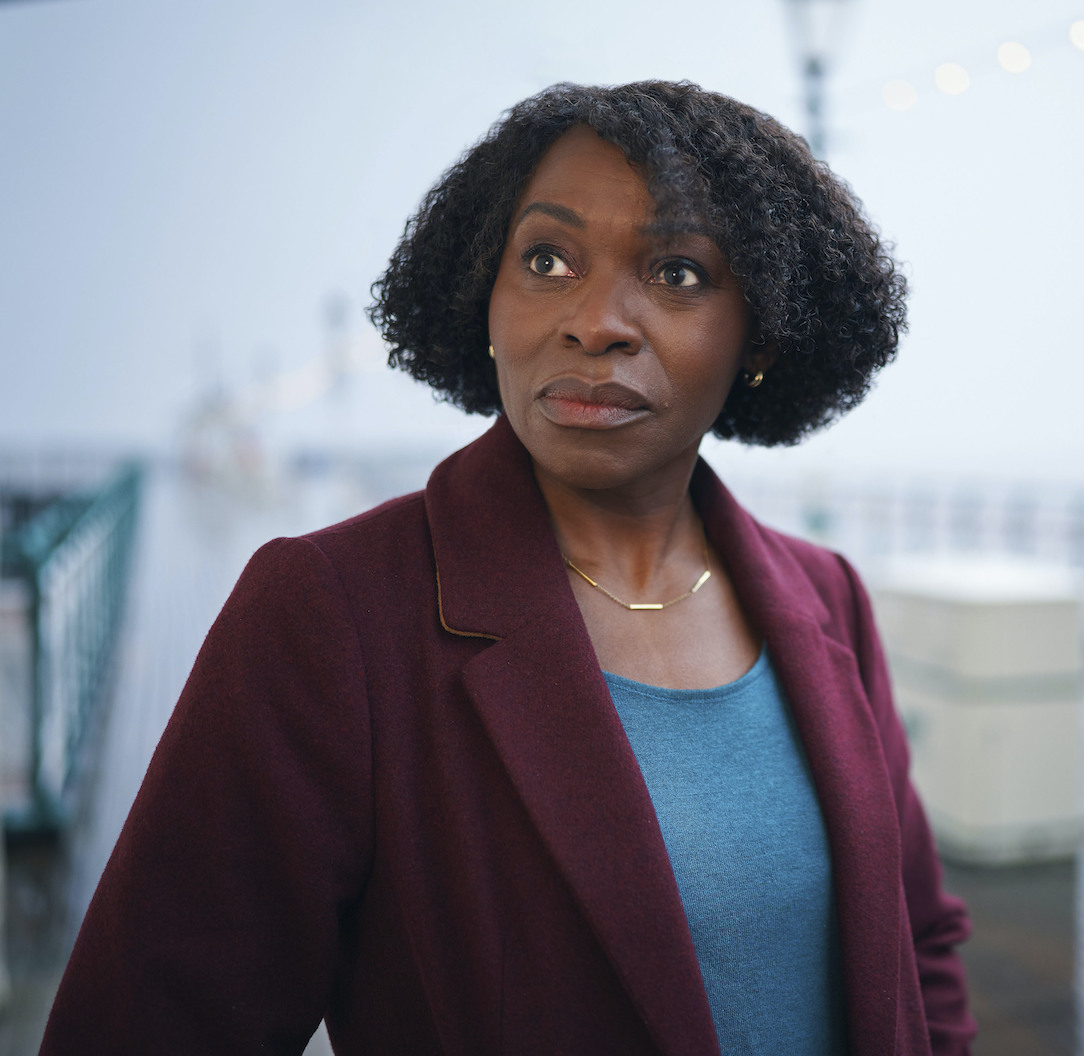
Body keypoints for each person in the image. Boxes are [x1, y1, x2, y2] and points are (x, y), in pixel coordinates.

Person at [41, 81, 975, 1055]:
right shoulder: (331, 614)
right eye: (547, 258)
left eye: (678, 273)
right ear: (484, 296)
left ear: (763, 335)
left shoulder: (827, 600)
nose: (594, 321)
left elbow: (919, 942)